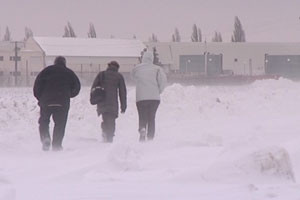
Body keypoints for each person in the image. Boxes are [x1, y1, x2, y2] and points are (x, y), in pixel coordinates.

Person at [33, 56, 81, 151]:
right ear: (64, 63)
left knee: (44, 121)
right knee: (60, 124)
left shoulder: (46, 71)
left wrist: (41, 98)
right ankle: (57, 145)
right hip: (62, 102)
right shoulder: (69, 73)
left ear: (55, 62)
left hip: (46, 102)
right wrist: (69, 95)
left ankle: (45, 138)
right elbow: (77, 87)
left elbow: (37, 87)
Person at [131, 50, 167, 142]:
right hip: (154, 98)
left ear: (143, 58)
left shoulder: (137, 69)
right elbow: (163, 81)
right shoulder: (157, 69)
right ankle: (150, 137)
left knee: (142, 115)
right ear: (152, 58)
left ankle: (142, 128)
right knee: (151, 117)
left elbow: (133, 77)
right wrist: (158, 91)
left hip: (141, 98)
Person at [91, 61, 127, 143]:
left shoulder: (101, 74)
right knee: (112, 120)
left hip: (102, 101)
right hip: (113, 103)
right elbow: (122, 92)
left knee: (105, 118)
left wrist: (94, 98)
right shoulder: (119, 76)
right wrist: (123, 106)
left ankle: (104, 130)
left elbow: (94, 87)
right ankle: (110, 137)